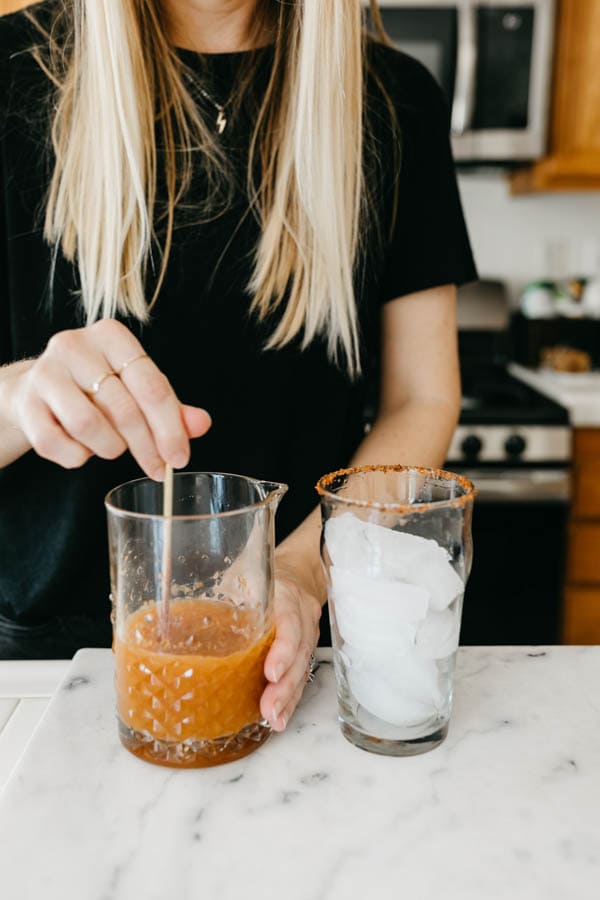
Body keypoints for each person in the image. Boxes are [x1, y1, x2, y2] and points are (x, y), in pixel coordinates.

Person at [0, 0, 477, 732]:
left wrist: (301, 572)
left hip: (289, 663)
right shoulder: (12, 74)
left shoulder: (393, 99)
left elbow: (422, 397)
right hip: (39, 677)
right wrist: (22, 396)